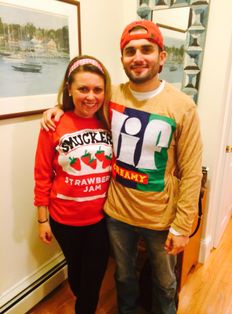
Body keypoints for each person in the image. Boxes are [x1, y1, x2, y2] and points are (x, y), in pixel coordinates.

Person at [40, 20, 203, 314]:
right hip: (117, 213)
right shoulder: (111, 95)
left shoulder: (182, 106)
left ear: (161, 56)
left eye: (146, 49)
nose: (138, 57)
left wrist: (183, 225)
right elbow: (83, 101)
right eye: (130, 51)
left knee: (165, 283)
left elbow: (192, 170)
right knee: (123, 277)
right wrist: (56, 108)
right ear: (122, 59)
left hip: (160, 216)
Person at [34, 55, 113, 314]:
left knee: (91, 283)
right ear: (69, 88)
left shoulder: (110, 120)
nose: (91, 96)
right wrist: (42, 219)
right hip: (64, 220)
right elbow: (42, 174)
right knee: (78, 275)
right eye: (83, 88)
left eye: (97, 89)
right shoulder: (53, 124)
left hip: (101, 220)